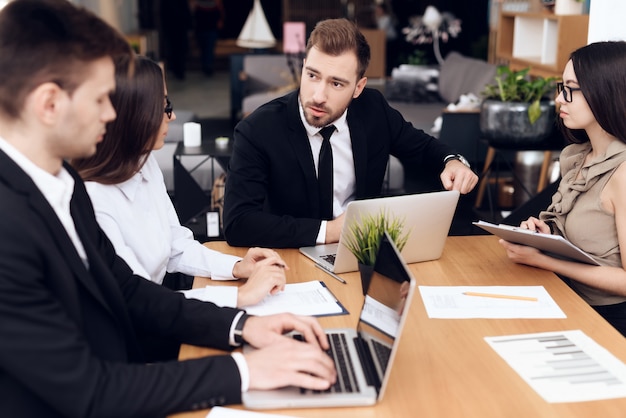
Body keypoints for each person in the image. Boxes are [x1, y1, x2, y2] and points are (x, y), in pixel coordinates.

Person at [0, 1, 335, 416]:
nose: (112, 112)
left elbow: (129, 290)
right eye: (102, 98)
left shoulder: (63, 185)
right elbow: (88, 390)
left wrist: (243, 326)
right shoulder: (9, 228)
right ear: (49, 104)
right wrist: (244, 371)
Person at [223, 18, 478, 249]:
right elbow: (238, 224)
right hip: (289, 255)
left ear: (358, 87)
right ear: (303, 67)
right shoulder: (257, 130)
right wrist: (330, 231)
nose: (318, 96)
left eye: (336, 83)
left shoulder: (373, 109)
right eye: (312, 75)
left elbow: (423, 148)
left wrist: (452, 161)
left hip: (361, 252)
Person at [71, 55, 286, 310]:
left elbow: (176, 246)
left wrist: (237, 267)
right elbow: (142, 301)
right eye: (164, 106)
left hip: (162, 311)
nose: (171, 116)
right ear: (134, 115)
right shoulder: (95, 200)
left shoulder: (144, 162)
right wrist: (240, 297)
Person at [498, 41, 626, 337]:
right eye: (561, 86)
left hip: (607, 322)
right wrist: (549, 237)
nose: (559, 99)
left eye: (570, 88)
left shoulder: (621, 173)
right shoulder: (580, 157)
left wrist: (544, 260)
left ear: (605, 91)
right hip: (565, 298)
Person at [192, 0, 224, 76]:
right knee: (204, 50)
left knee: (209, 50)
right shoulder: (198, 4)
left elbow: (219, 17)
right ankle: (205, 66)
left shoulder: (215, 4)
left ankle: (208, 67)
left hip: (210, 30)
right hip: (202, 30)